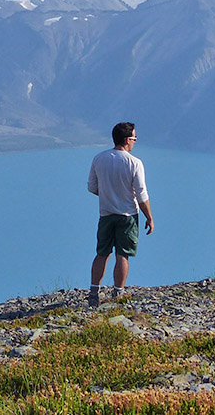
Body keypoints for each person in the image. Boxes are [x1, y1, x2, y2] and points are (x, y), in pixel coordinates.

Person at [87, 122, 154, 307]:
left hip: (106, 213)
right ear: (127, 140)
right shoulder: (135, 163)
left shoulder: (99, 158)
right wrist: (149, 217)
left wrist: (108, 194)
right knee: (122, 255)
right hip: (128, 215)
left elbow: (92, 187)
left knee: (102, 253)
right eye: (134, 139)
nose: (135, 142)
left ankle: (94, 292)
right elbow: (141, 195)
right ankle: (118, 294)